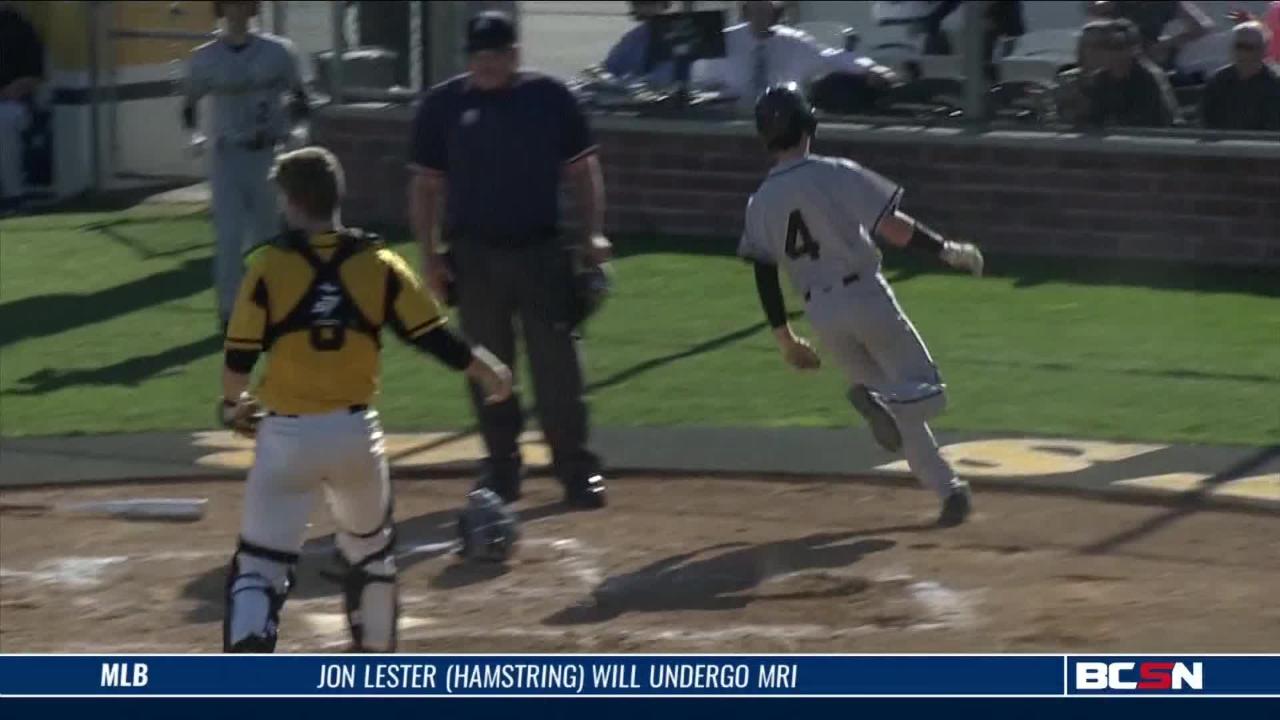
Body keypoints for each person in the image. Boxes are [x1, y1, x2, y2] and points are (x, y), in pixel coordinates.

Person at [218, 146, 514, 653]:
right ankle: (374, 671)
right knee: (372, 555)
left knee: (261, 565)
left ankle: (246, 674)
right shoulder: (379, 262)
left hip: (285, 437)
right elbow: (435, 337)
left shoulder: (267, 267)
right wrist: (488, 369)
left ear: (292, 202)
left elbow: (238, 361)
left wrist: (234, 405)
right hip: (355, 436)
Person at [739, 83, 984, 527]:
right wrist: (945, 250)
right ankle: (881, 400)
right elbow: (893, 228)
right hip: (865, 297)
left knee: (903, 417)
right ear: (808, 124)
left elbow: (764, 273)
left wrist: (784, 338)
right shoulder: (834, 172)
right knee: (928, 391)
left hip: (821, 313)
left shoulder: (759, 202)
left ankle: (949, 491)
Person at [408, 11, 611, 509]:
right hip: (473, 257)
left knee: (558, 369)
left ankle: (575, 468)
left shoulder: (550, 98)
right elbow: (426, 187)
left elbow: (583, 172)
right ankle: (501, 467)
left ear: (514, 55)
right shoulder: (443, 106)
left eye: (495, 54)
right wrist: (430, 256)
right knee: (487, 367)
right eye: (478, 55)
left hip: (542, 251)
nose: (486, 64)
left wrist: (592, 233)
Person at [184, 0, 309, 332]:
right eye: (230, 2)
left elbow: (300, 97)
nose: (237, 8)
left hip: (267, 153)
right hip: (227, 154)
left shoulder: (279, 52)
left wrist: (298, 130)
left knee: (266, 238)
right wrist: (194, 135)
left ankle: (270, 308)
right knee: (228, 236)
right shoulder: (204, 58)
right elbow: (189, 105)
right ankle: (230, 313)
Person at [692, 0, 896, 110]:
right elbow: (697, 78)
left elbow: (833, 57)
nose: (763, 17)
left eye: (768, 11)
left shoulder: (793, 42)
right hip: (736, 117)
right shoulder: (726, 41)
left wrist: (871, 68)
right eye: (757, 10)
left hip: (782, 118)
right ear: (745, 12)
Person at [1084, 19, 1179, 127]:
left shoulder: (1149, 78)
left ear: (1134, 49)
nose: (1112, 53)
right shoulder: (1101, 80)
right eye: (1107, 47)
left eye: (1119, 47)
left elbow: (1156, 120)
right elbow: (1095, 120)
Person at [0, 1, 44, 213]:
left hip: (15, 104)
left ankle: (13, 196)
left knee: (3, 121)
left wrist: (8, 92)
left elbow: (34, 77)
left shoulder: (20, 28)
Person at [1202, 21, 1280, 131]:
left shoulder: (1275, 84)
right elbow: (1206, 122)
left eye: (1249, 47)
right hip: (1222, 140)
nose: (1243, 53)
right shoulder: (1218, 81)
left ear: (1263, 50)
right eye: (1239, 46)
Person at [1088, 0, 1214, 68]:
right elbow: (1092, 10)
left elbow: (1202, 26)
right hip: (1116, 61)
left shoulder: (1164, 3)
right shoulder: (1114, 4)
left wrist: (1166, 44)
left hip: (1150, 61)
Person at [1053, 20, 1114, 125]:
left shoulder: (1121, 80)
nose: (1092, 51)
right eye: (1087, 45)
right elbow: (1061, 120)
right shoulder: (1067, 81)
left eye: (1100, 45)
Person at [602, 1, 676, 86]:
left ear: (664, 4)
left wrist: (636, 83)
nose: (644, 9)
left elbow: (668, 75)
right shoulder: (633, 37)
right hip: (628, 90)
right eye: (638, 3)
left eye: (650, 3)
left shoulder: (678, 37)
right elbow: (610, 66)